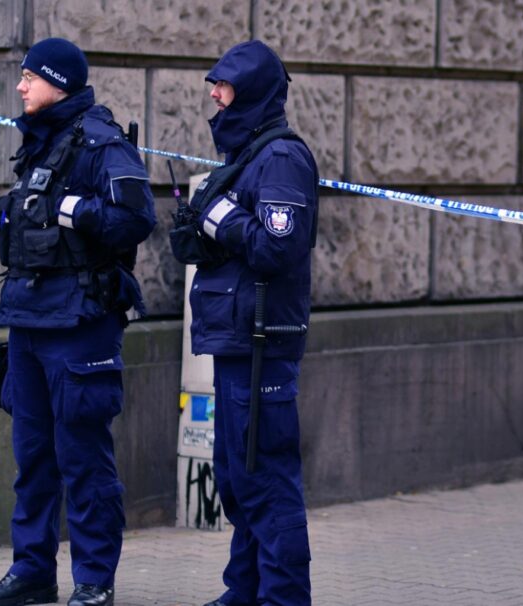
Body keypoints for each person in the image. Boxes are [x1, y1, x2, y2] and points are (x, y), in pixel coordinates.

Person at [0, 37, 156, 606]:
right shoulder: (39, 143)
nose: (21, 85)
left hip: (80, 323)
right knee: (32, 458)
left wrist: (78, 210)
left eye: (30, 76)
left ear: (58, 82)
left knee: (83, 459)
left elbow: (136, 219)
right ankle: (32, 571)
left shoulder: (102, 143)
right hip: (29, 321)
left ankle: (94, 580)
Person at [183, 40, 318, 606]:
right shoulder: (248, 154)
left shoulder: (282, 158)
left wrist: (221, 221)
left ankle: (284, 599)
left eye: (225, 85)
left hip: (264, 343)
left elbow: (277, 249)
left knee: (267, 483)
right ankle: (243, 592)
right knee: (240, 483)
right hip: (236, 340)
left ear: (253, 91)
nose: (215, 95)